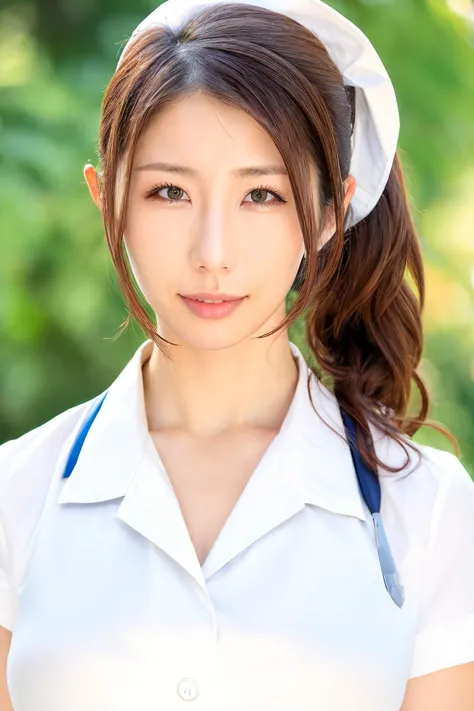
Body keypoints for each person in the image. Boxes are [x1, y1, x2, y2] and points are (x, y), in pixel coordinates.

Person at [1, 0, 473, 709]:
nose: (212, 253)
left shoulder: (428, 512)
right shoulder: (17, 496)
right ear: (108, 199)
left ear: (327, 213)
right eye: (170, 192)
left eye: (261, 194)